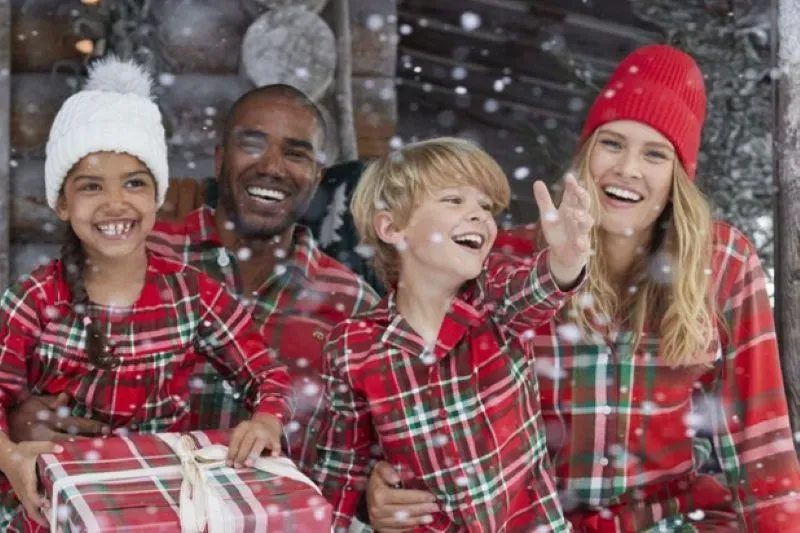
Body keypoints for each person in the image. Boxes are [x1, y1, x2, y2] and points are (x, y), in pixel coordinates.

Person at [366, 44, 800, 532]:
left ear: (678, 176)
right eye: (612, 143)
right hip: (538, 521)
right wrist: (377, 482)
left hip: (672, 518)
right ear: (586, 152)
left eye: (655, 154)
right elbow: (408, 374)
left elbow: (760, 436)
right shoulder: (507, 262)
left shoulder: (721, 261)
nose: (627, 169)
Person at [7, 83, 379, 480]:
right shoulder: (130, 250)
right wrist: (15, 431)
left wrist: (375, 493)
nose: (272, 167)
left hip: (264, 508)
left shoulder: (354, 305)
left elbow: (368, 452)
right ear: (219, 159)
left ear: (318, 176)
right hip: (109, 498)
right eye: (252, 144)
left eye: (296, 153)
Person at [0, 57, 292, 529]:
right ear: (62, 203)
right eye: (91, 187)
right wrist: (10, 456)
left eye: (134, 183)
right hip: (58, 509)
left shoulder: (191, 294)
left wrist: (266, 420)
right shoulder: (32, 301)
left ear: (157, 196)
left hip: (159, 508)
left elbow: (266, 374)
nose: (115, 203)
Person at [313, 137, 593, 531]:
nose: (479, 215)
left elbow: (538, 288)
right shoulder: (352, 347)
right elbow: (342, 473)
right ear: (392, 227)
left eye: (486, 207)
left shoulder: (494, 300)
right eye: (454, 200)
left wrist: (566, 261)